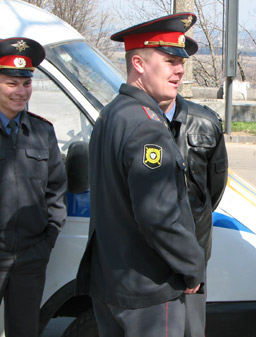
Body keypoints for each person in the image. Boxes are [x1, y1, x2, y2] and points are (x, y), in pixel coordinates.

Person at [75, 13, 205, 337]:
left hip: (113, 284)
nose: (180, 70)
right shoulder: (147, 125)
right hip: (148, 291)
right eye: (170, 60)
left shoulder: (113, 113)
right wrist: (192, 266)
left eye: (181, 62)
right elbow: (157, 215)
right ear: (139, 63)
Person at [0, 37, 67, 337]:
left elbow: (56, 191)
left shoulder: (42, 132)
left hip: (30, 258)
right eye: (11, 83)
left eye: (25, 84)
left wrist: (48, 239)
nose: (20, 91)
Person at [160, 79, 228, 335]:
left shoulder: (206, 123)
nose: (175, 71)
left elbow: (213, 190)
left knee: (190, 327)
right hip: (143, 258)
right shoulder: (130, 120)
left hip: (192, 248)